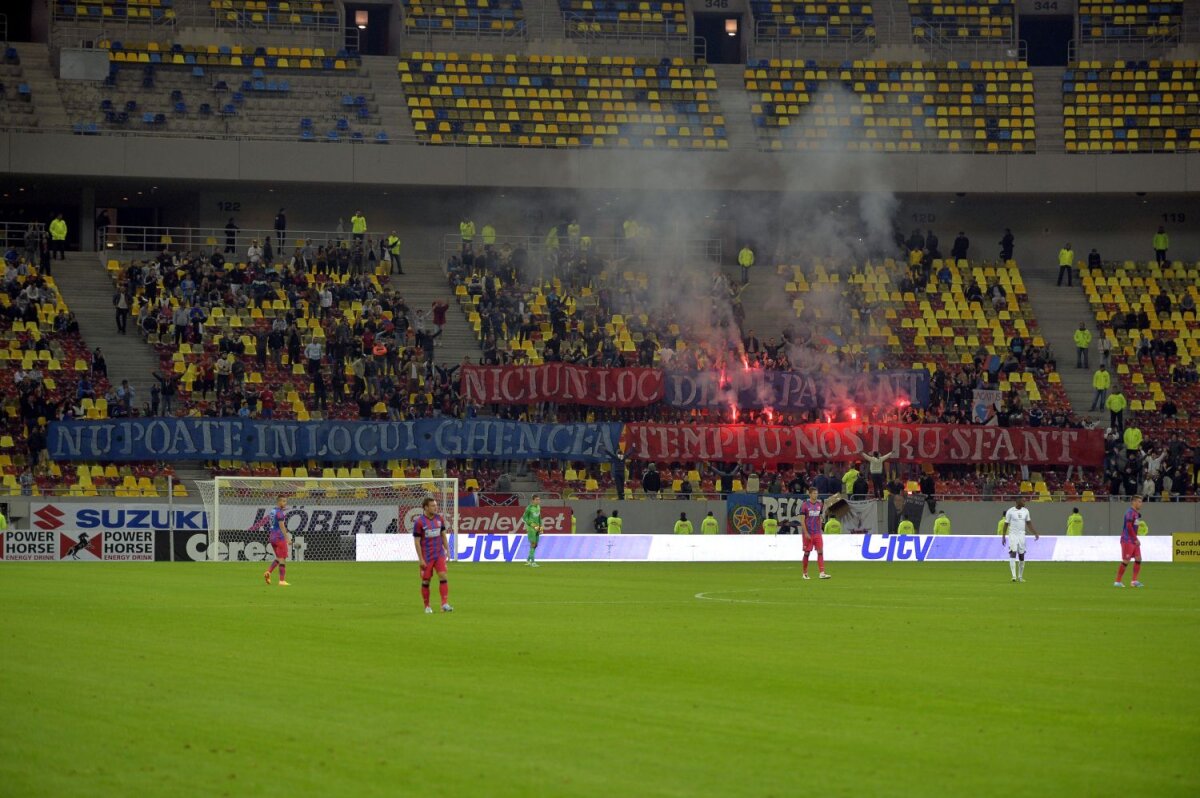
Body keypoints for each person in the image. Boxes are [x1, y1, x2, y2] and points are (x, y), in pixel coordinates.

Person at [413, 497, 453, 612]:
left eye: (436, 505)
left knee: (443, 576)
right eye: (433, 505)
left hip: (439, 554)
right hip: (427, 556)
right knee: (426, 580)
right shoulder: (419, 522)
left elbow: (443, 535)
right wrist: (420, 559)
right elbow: (417, 542)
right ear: (426, 507)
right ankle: (427, 606)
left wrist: (447, 551)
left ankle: (444, 604)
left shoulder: (439, 519)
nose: (436, 507)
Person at [251, 496, 292, 586]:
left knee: (278, 557)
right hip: (279, 537)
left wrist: (282, 510)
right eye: (284, 501)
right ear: (279, 502)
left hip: (272, 536)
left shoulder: (273, 511)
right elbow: (282, 526)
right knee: (282, 559)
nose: (285, 503)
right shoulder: (280, 513)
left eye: (286, 501)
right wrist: (287, 538)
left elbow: (276, 516)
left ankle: (268, 572)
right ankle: (282, 581)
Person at [1001, 497, 1039, 583]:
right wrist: (1003, 536)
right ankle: (1014, 576)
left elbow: (1029, 523)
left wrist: (1035, 533)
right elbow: (1006, 524)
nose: (1024, 502)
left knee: (1021, 555)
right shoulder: (1010, 511)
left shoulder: (1026, 511)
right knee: (1013, 552)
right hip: (1013, 535)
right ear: (1017, 501)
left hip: (1022, 535)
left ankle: (1020, 577)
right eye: (1023, 500)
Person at [1115, 495, 1145, 587]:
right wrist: (1135, 539)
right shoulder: (1130, 513)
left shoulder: (1135, 513)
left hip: (1133, 540)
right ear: (1134, 502)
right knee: (1126, 560)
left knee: (1138, 558)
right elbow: (1128, 527)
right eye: (1139, 502)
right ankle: (1118, 581)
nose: (1141, 504)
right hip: (1127, 539)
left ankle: (1134, 581)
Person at [800, 487, 829, 580]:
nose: (816, 495)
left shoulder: (819, 504)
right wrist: (806, 533)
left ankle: (822, 573)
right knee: (807, 553)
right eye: (814, 493)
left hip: (817, 533)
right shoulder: (805, 505)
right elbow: (802, 520)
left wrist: (820, 526)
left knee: (820, 551)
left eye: (817, 493)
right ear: (810, 494)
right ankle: (804, 573)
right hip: (808, 533)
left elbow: (819, 517)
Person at [522, 495, 542, 567]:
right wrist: (531, 524)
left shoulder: (538, 507)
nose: (538, 501)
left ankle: (528, 560)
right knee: (533, 544)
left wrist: (541, 527)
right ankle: (533, 562)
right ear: (533, 500)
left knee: (535, 545)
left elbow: (540, 517)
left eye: (539, 499)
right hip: (531, 528)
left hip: (537, 527)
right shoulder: (529, 508)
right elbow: (524, 518)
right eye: (536, 499)